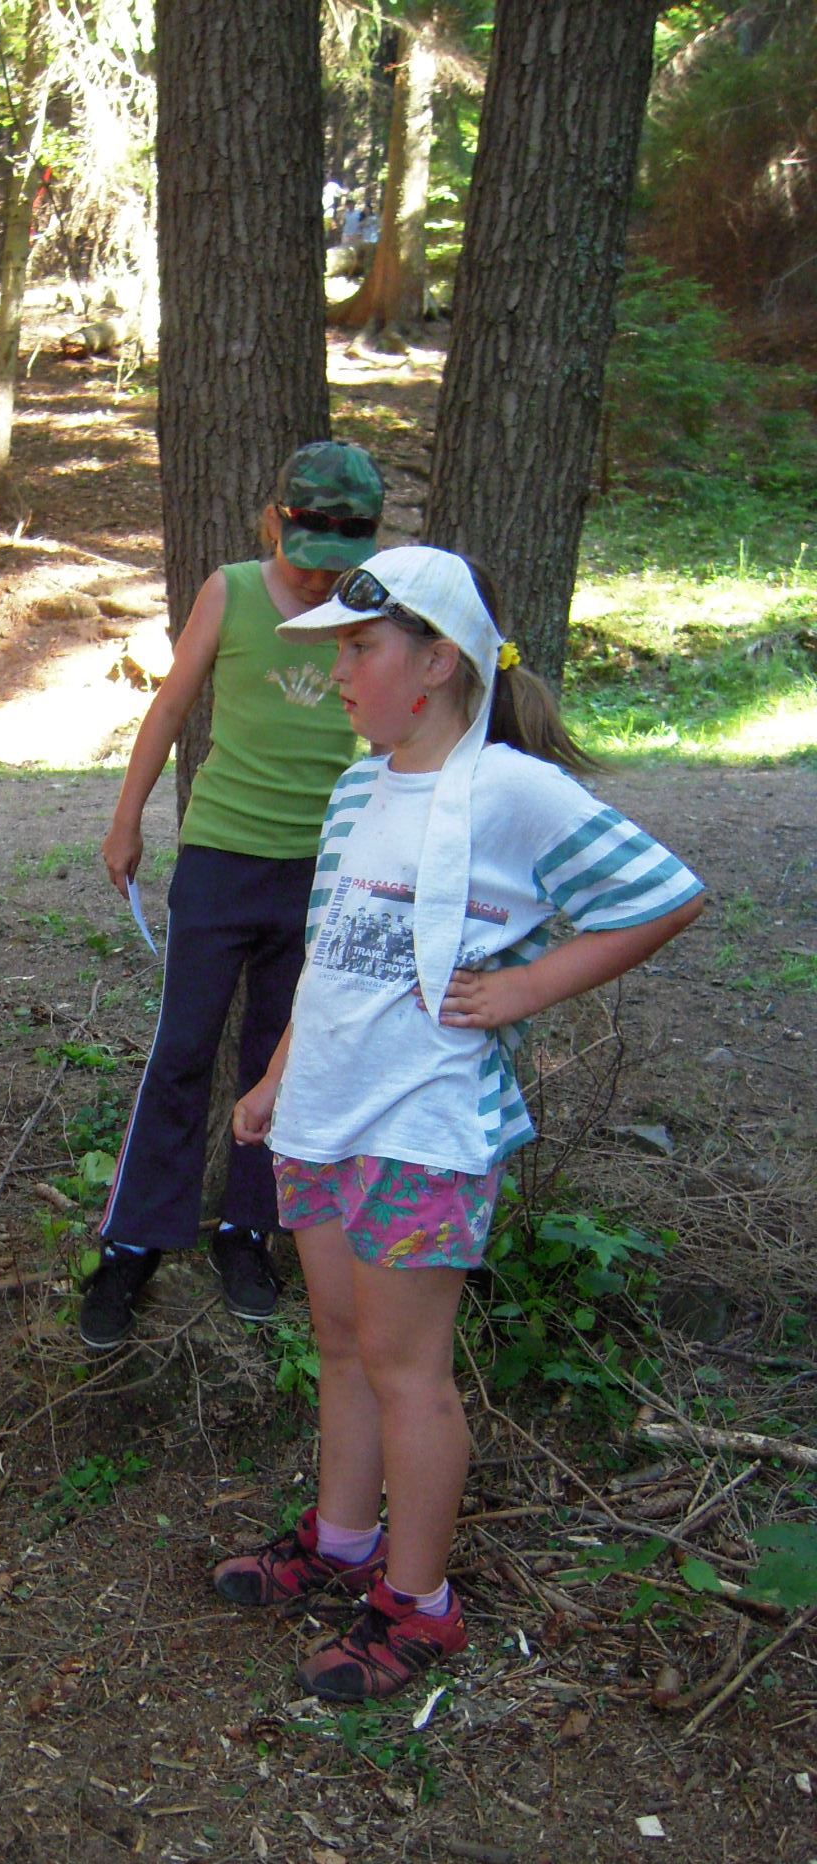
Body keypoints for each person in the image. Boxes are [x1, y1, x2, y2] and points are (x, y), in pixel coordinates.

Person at [214, 547, 705, 1699]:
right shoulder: (357, 790)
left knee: (406, 1368)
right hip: (326, 1112)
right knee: (342, 1343)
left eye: (360, 647)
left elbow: (661, 894)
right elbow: (333, 954)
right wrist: (278, 1074)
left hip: (423, 1125)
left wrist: (527, 986)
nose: (340, 671)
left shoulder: (510, 792)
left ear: (436, 662)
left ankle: (419, 1604)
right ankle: (344, 1540)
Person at [79, 443, 386, 1350]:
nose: (320, 577)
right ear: (274, 522)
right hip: (220, 853)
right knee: (183, 1046)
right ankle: (134, 1240)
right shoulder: (234, 591)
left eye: (339, 560)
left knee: (279, 1056)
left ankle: (249, 1232)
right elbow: (172, 705)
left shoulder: (370, 607)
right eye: (306, 555)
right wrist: (127, 819)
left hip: (320, 869)